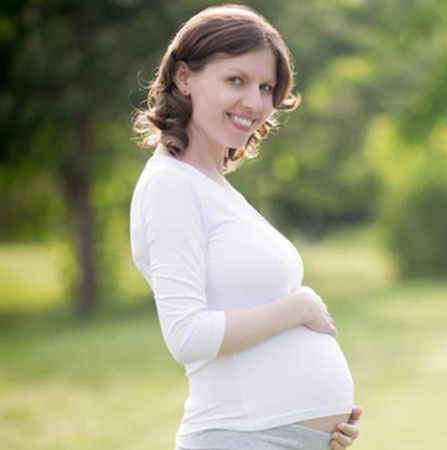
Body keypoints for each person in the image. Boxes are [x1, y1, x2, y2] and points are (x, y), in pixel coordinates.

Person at [129, 4, 362, 449]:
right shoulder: (171, 186)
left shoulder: (213, 186)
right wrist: (299, 308)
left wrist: (321, 425)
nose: (255, 103)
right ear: (184, 79)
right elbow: (186, 336)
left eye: (266, 86)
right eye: (235, 80)